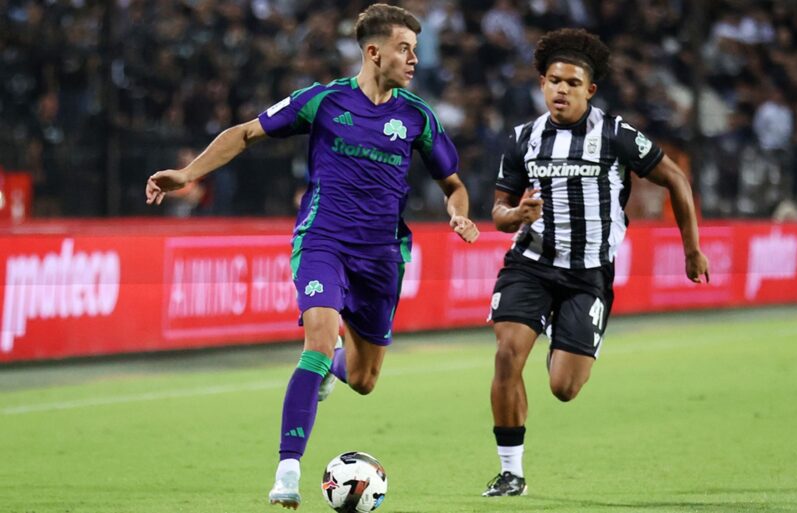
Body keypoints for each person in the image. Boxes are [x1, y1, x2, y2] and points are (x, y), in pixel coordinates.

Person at [145, 4, 479, 509]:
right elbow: (245, 133)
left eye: (414, 49)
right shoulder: (322, 101)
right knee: (317, 343)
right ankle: (287, 471)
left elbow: (453, 184)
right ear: (374, 52)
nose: (414, 59)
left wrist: (459, 214)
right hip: (324, 241)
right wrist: (188, 174)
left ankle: (335, 364)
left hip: (381, 257)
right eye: (404, 49)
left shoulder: (417, 116)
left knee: (364, 380)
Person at [482, 28, 709, 497]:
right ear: (542, 83)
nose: (561, 90)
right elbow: (499, 212)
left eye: (572, 83)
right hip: (530, 264)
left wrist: (691, 248)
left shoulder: (615, 134)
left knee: (564, 388)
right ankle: (510, 472)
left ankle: (560, 335)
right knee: (506, 355)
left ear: (590, 90)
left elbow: (676, 179)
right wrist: (516, 215)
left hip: (588, 274)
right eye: (554, 81)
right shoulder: (523, 139)